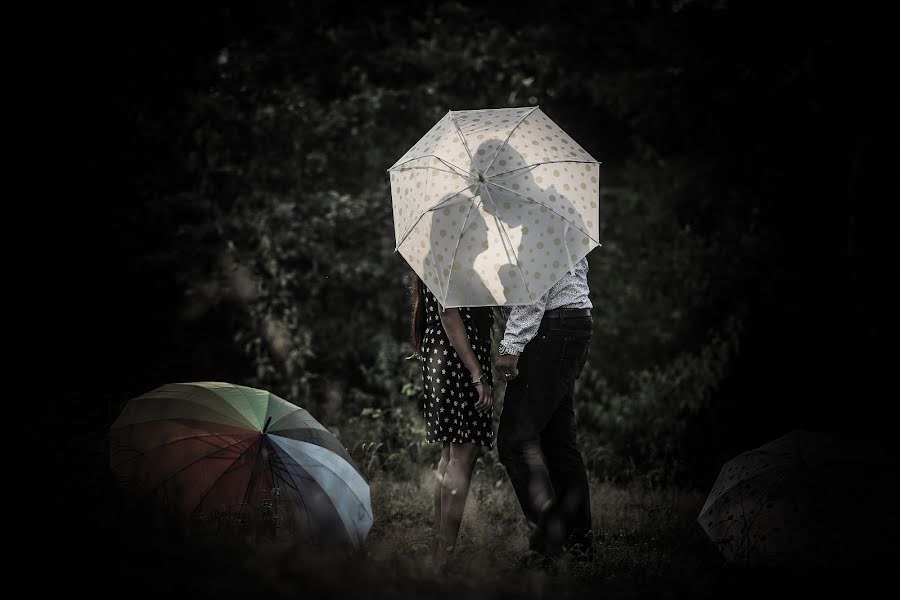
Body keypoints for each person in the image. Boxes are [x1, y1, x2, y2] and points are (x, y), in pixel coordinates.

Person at [495, 256, 594, 566]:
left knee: (514, 440)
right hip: (571, 322)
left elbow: (533, 284)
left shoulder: (529, 223)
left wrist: (512, 345)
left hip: (552, 327)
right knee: (558, 442)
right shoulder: (551, 215)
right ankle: (578, 545)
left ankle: (551, 546)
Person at [408, 271, 495, 568]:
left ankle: (440, 546)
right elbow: (449, 314)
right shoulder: (454, 258)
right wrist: (476, 373)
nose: (484, 234)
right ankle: (445, 554)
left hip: (445, 355)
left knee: (451, 454)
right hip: (459, 359)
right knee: (463, 454)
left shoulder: (440, 256)